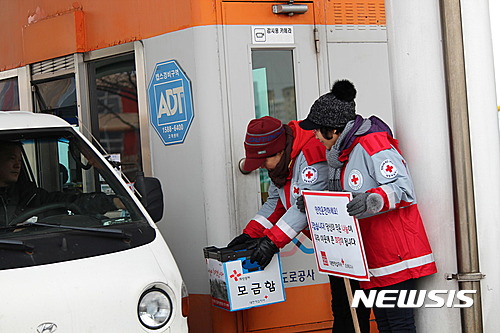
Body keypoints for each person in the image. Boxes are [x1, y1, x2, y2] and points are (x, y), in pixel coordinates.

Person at [298, 80, 438, 333]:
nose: (315, 136)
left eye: (318, 130)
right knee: (384, 324)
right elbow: (347, 200)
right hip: (374, 257)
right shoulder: (346, 153)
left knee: (399, 326)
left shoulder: (372, 144)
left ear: (334, 130)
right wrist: (313, 203)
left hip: (397, 256)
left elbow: (403, 188)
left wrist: (373, 199)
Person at [227, 116, 329, 269]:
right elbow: (276, 202)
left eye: (262, 162)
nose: (261, 167)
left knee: (358, 289)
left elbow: (307, 206)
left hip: (349, 237)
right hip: (326, 241)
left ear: (279, 151)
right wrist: (251, 234)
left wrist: (271, 242)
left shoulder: (311, 154)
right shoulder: (281, 166)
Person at [0, 140, 119, 227]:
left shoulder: (29, 194)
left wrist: (114, 202)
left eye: (20, 160)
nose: (17, 165)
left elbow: (69, 201)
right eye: (11, 158)